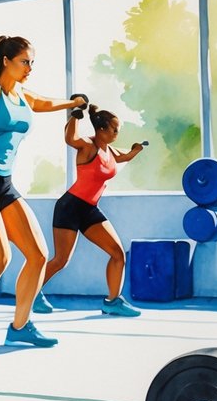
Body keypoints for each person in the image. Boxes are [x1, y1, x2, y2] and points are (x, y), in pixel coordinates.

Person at [0, 23, 87, 360]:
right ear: (6, 61)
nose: (30, 69)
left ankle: (20, 327)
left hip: (3, 183)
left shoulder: (22, 96)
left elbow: (44, 103)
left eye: (32, 63)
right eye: (25, 62)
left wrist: (73, 103)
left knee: (38, 255)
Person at [33, 105, 146, 317]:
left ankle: (112, 301)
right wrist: (75, 116)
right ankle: (32, 293)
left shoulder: (109, 150)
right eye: (114, 130)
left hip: (89, 209)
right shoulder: (88, 146)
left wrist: (136, 150)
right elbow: (70, 139)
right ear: (101, 129)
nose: (117, 133)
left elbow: (124, 157)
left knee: (117, 254)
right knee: (61, 260)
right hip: (70, 206)